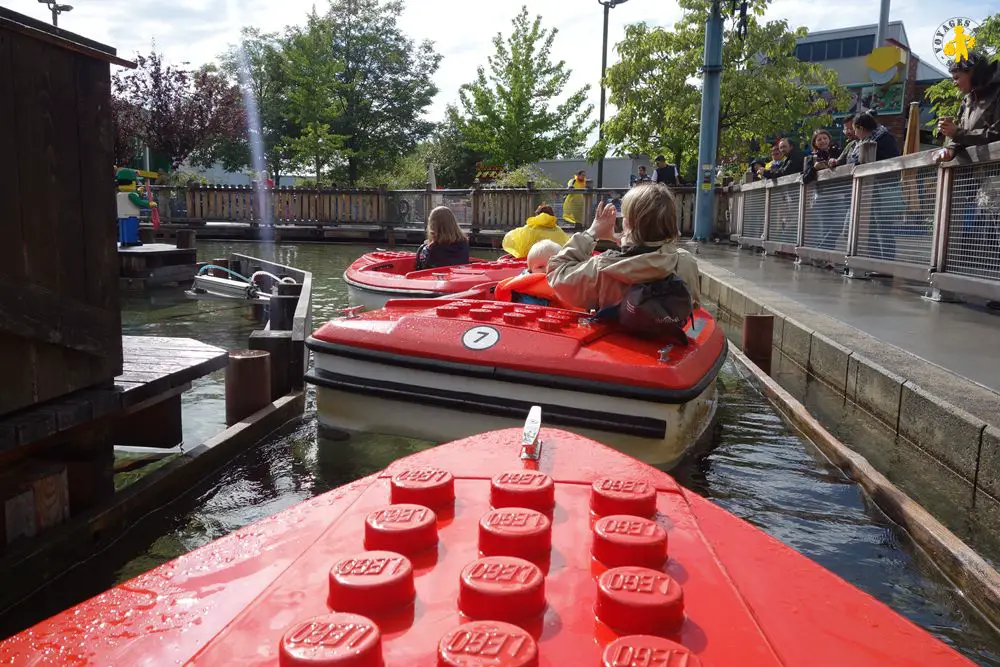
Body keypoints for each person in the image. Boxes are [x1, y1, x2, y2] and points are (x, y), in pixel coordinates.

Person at [547, 183, 701, 318]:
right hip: (666, 343)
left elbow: (556, 273)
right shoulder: (685, 262)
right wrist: (620, 240)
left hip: (614, 345)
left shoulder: (603, 267)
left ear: (629, 223)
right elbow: (647, 256)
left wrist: (591, 233)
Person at [935, 51, 1000, 163]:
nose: (954, 83)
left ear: (972, 72)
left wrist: (957, 133)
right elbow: (963, 136)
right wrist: (950, 149)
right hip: (971, 175)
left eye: (956, 77)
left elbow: (996, 134)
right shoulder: (967, 100)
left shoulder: (998, 93)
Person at [494, 240, 565, 307]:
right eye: (540, 267)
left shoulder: (566, 281)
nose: (547, 270)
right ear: (530, 270)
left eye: (553, 265)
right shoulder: (525, 284)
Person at [501, 204, 570, 258]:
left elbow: (512, 239)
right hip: (555, 260)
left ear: (537, 215)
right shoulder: (558, 230)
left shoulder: (529, 228)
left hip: (533, 260)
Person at [414, 206, 470, 270]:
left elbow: (423, 265)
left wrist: (426, 246)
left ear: (433, 225)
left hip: (437, 278)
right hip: (459, 277)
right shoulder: (464, 243)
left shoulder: (432, 248)